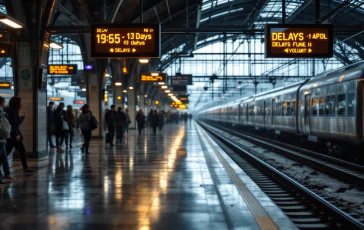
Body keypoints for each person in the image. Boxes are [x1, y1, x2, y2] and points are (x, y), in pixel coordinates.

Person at [5, 96, 35, 173]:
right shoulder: (13, 111)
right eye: (20, 102)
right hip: (14, 135)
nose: (21, 104)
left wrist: (20, 118)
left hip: (10, 134)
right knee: (20, 151)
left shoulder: (8, 110)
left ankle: (25, 168)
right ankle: (25, 168)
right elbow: (15, 124)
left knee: (8, 151)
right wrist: (17, 134)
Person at [0, 96, 15, 182]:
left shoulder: (3, 111)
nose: (5, 103)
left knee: (4, 158)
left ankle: (7, 174)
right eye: (4, 101)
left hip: (2, 139)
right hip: (1, 138)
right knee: (3, 158)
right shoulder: (1, 112)